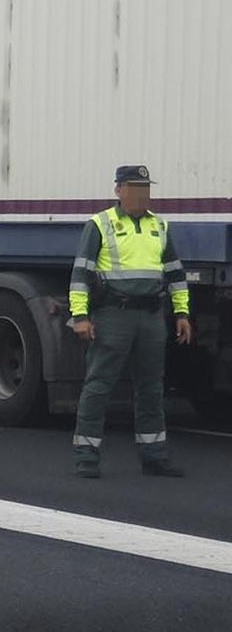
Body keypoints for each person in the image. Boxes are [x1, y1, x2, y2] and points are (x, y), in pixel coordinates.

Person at [68, 166, 191, 479]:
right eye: (135, 187)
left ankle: (154, 456)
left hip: (150, 316)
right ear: (118, 190)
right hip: (114, 314)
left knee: (152, 388)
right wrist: (80, 316)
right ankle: (86, 456)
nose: (142, 194)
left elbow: (175, 274)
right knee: (99, 385)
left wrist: (182, 313)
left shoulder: (159, 225)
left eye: (145, 188)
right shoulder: (100, 224)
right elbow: (81, 274)